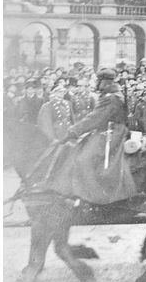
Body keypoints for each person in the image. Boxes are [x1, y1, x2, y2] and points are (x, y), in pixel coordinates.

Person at [39, 69, 136, 204]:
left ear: (104, 81)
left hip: (111, 132)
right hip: (108, 130)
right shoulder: (112, 94)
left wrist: (72, 132)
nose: (96, 83)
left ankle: (91, 198)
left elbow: (94, 118)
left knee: (84, 158)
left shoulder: (110, 97)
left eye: (98, 80)